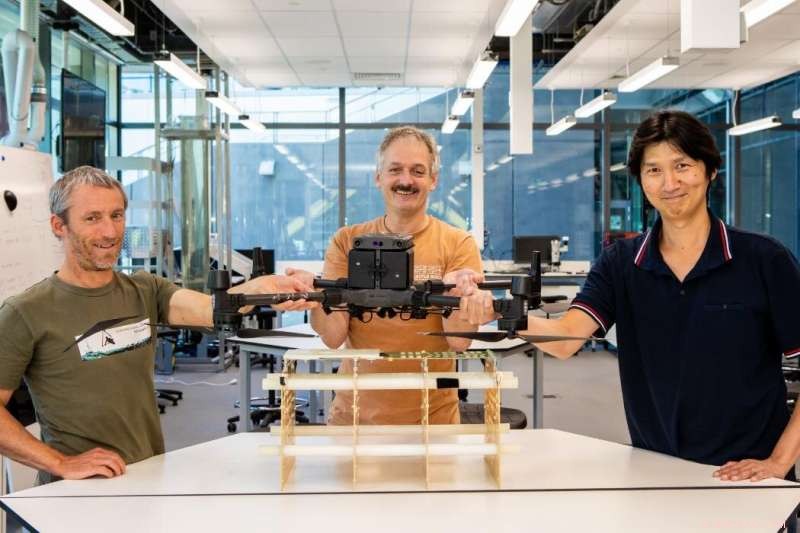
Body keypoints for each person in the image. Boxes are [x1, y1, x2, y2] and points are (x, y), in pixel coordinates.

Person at [458, 110, 800, 484]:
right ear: (640, 180)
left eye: (682, 165)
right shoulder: (621, 263)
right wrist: (499, 312)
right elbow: (568, 338)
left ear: (710, 171)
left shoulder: (763, 259)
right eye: (654, 170)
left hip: (748, 475)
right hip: (656, 467)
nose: (669, 183)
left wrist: (779, 462)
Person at [0, 166, 315, 483]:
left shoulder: (145, 289)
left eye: (117, 215)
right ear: (59, 225)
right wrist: (60, 463)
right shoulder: (26, 311)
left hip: (145, 476)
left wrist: (262, 289)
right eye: (92, 218)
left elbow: (210, 309)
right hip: (75, 492)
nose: (110, 232)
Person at [289, 126, 483, 425]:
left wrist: (459, 296)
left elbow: (459, 342)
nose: (406, 180)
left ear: (433, 180)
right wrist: (314, 297)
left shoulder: (458, 243)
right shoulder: (347, 241)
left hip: (434, 419)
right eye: (395, 170)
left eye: (418, 171)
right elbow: (332, 336)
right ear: (379, 177)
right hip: (354, 415)